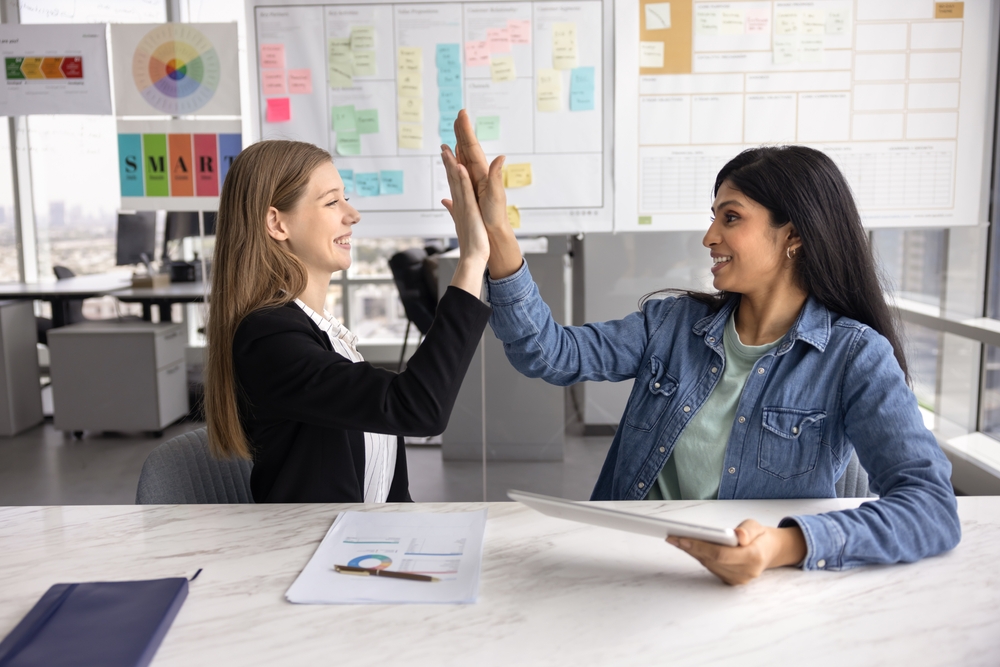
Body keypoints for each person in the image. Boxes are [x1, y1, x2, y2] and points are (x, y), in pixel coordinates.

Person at [446, 110, 961, 585]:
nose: (709, 236)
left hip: (758, 589)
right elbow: (547, 352)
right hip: (625, 568)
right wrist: (498, 236)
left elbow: (931, 506)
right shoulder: (671, 323)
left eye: (730, 218)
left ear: (795, 235)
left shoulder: (856, 357)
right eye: (713, 216)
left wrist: (783, 544)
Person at [204, 139, 492, 503]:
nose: (352, 215)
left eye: (346, 198)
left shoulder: (319, 329)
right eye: (331, 201)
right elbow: (418, 408)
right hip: (318, 553)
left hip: (366, 545)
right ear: (277, 223)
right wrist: (472, 258)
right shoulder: (269, 339)